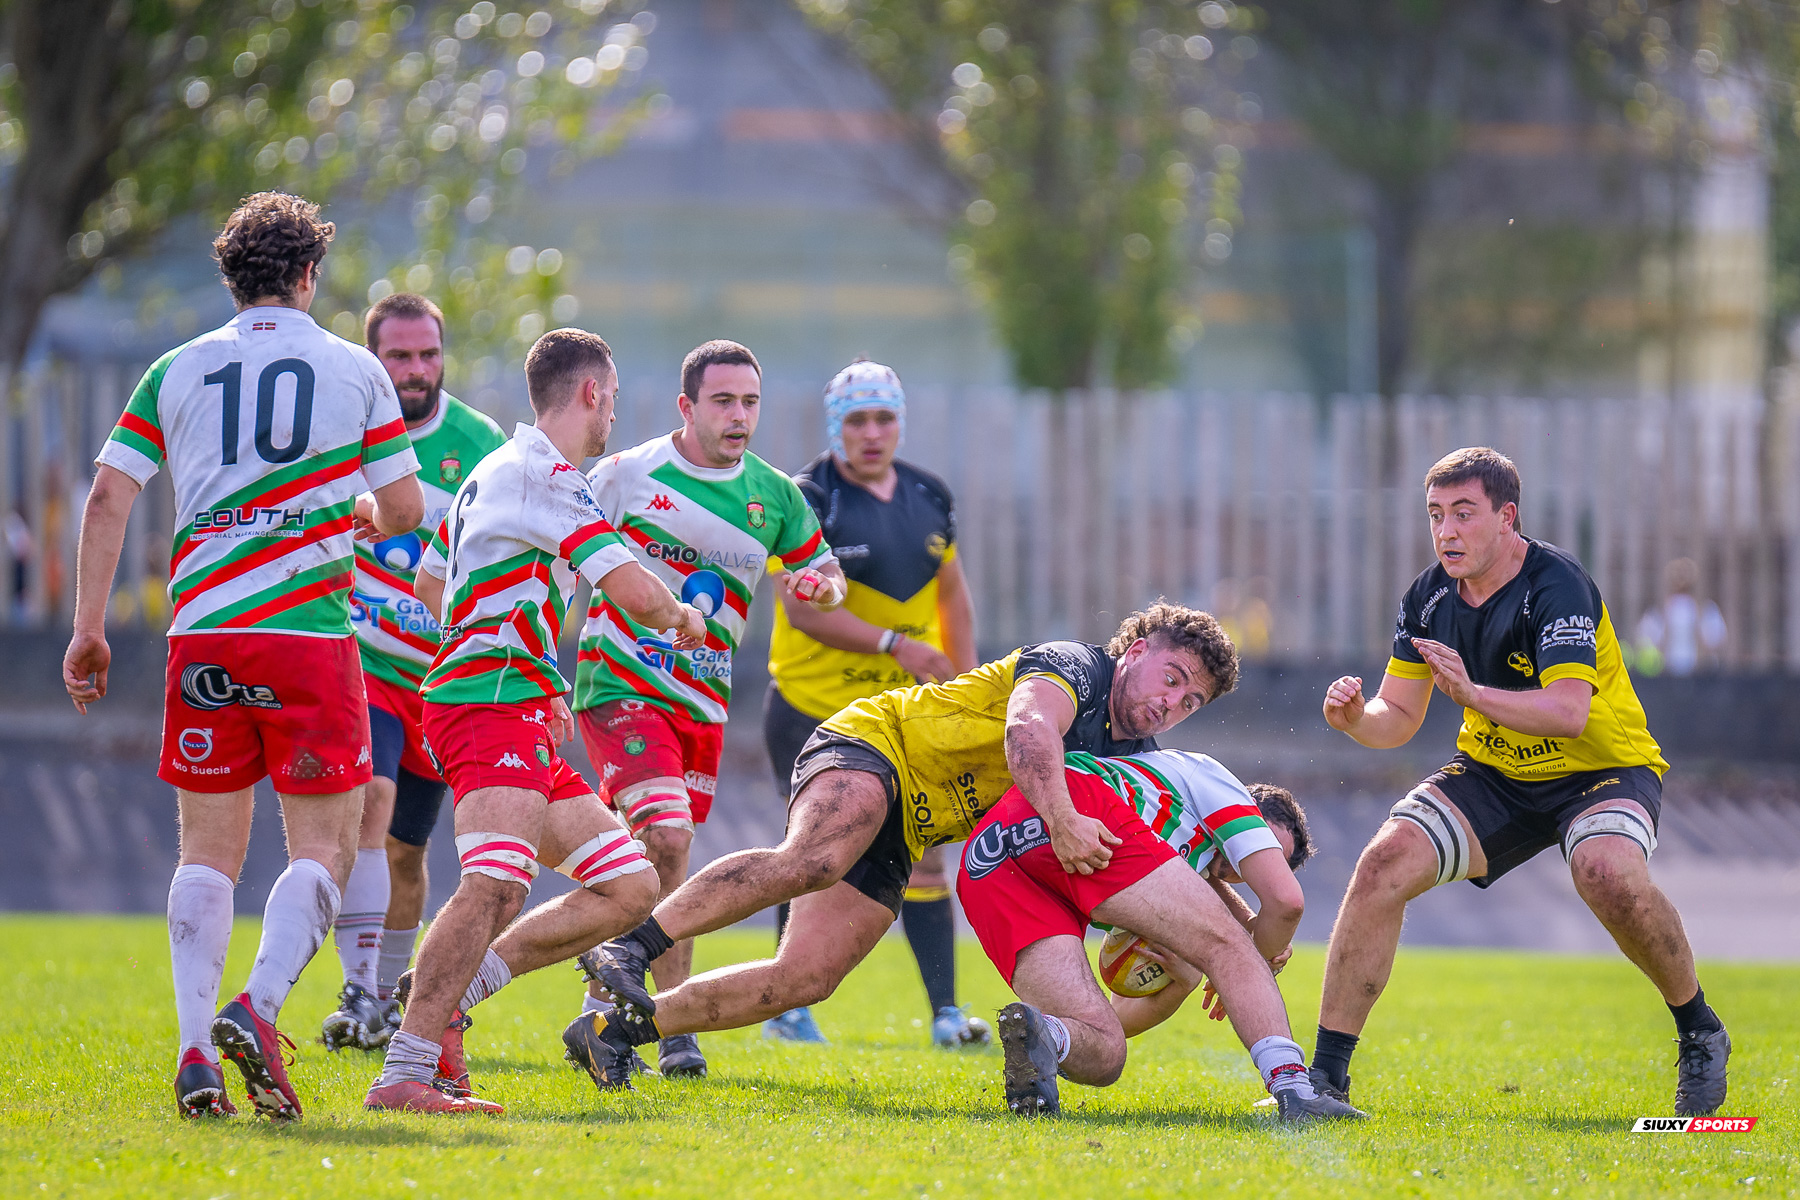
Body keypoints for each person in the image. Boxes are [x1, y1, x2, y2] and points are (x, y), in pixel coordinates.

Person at [62, 192, 426, 1120]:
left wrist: (89, 629)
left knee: (209, 852)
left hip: (204, 635)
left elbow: (109, 496)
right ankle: (259, 1012)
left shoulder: (176, 369)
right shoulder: (352, 368)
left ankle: (193, 1049)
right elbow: (408, 511)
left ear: (231, 279)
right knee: (326, 846)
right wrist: (362, 513)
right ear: (309, 276)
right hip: (306, 639)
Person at [569, 601, 1239, 1089]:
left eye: (1192, 702)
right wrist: (1063, 821)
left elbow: (1166, 853)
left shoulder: (1138, 760)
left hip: (912, 825)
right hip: (878, 745)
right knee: (814, 858)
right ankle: (629, 947)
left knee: (806, 978)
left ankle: (613, 1032)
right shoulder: (1076, 666)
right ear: (1138, 648)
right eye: (1172, 677)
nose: (1172, 702)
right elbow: (1029, 731)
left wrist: (1235, 935)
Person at [1315, 446, 1730, 1117]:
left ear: (1507, 517)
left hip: (1600, 771)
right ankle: (1324, 1083)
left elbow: (1568, 712)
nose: (1446, 531)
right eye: (1435, 515)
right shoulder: (1427, 597)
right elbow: (1397, 717)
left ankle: (1699, 1031)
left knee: (1606, 873)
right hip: (1498, 773)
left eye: (1464, 514)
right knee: (1382, 863)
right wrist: (1355, 718)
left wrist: (1472, 693)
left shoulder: (1555, 584)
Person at [363, 328, 709, 1113]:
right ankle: (405, 1072)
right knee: (494, 884)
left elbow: (429, 583)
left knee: (629, 885)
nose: (614, 414)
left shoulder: (492, 469)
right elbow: (634, 593)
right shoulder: (549, 474)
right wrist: (684, 617)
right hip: (487, 700)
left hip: (506, 694)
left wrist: (526, 661)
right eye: (613, 398)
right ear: (591, 392)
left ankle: (453, 995)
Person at [567, 339, 847, 1078]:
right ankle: (672, 1025)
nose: (739, 415)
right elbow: (560, 563)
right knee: (666, 834)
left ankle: (604, 1009)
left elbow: (823, 569)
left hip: (703, 704)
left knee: (659, 856)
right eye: (723, 401)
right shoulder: (627, 475)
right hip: (619, 687)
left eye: (750, 402)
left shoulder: (776, 495)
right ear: (687, 407)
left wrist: (823, 586)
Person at [761, 360, 985, 1048]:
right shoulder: (804, 498)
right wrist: (897, 644)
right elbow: (801, 615)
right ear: (836, 427)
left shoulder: (930, 494)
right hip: (812, 708)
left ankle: (946, 1014)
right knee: (816, 852)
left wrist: (967, 695)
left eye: (884, 417)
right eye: (856, 420)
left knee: (925, 852)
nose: (871, 432)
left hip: (904, 716)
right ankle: (784, 1007)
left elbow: (952, 596)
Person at [957, 751, 1358, 1121]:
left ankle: (1048, 1035)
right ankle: (1293, 1086)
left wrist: (1183, 984)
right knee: (1227, 949)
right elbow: (1286, 904)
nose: (1243, 869)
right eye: (1265, 849)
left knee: (1104, 1052)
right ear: (1249, 820)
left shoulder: (1180, 866)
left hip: (991, 856)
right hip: (1075, 800)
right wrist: (1252, 961)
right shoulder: (1219, 785)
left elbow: (1118, 1020)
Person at [321, 292, 507, 1054]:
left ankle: (390, 995)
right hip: (359, 664)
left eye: (428, 354)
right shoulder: (341, 429)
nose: (416, 369)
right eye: (399, 356)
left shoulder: (480, 443)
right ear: (373, 359)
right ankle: (359, 993)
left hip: (441, 678)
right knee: (371, 798)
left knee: (407, 850)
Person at [1634, 557, 1726, 677]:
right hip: (1666, 676)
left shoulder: (1706, 609)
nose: (1681, 579)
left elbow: (1716, 642)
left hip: (1700, 676)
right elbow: (1645, 642)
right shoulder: (1658, 611)